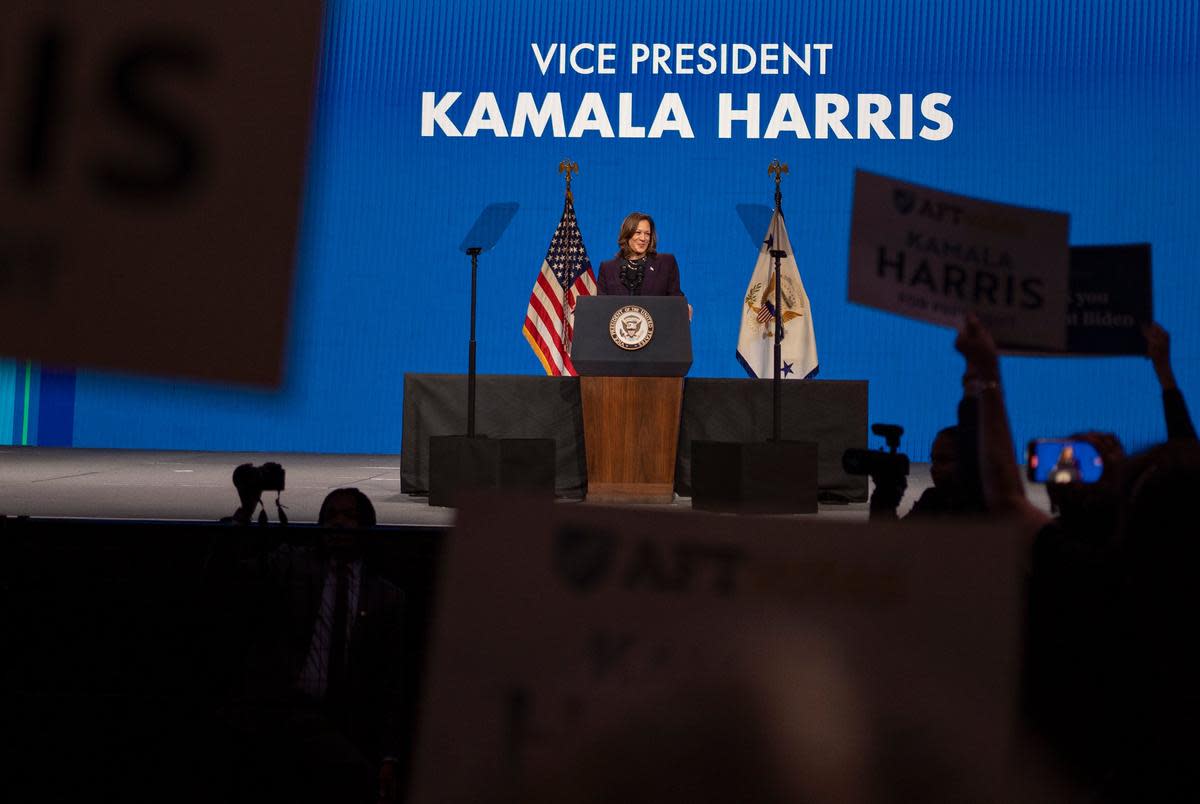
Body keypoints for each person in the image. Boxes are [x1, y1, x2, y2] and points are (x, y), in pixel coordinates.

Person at [597, 212, 684, 297]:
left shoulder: (666, 263)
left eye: (647, 234)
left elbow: (675, 299)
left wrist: (683, 307)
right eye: (638, 232)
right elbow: (602, 306)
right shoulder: (607, 268)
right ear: (627, 234)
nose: (643, 238)